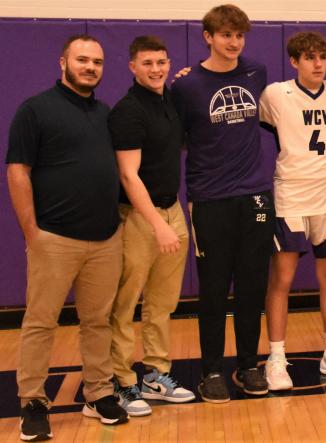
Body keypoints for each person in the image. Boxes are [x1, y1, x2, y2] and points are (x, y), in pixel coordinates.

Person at [7, 34, 128, 440]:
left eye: (96, 62)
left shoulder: (104, 112)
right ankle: (33, 402)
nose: (90, 67)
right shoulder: (35, 110)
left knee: (97, 322)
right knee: (41, 322)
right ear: (63, 63)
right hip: (54, 239)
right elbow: (18, 171)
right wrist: (32, 232)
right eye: (82, 60)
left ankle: (97, 393)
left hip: (106, 239)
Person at [170, 4, 275, 402]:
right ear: (208, 37)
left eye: (239, 35)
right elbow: (178, 138)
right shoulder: (186, 86)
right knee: (213, 291)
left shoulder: (256, 72)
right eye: (226, 35)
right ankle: (211, 370)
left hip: (256, 196)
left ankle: (248, 365)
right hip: (210, 199)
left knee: (252, 288)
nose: (234, 42)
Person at [260, 31, 326, 390]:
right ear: (294, 62)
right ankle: (276, 358)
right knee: (283, 279)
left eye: (322, 56)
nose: (317, 63)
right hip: (291, 195)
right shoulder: (276, 94)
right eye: (309, 57)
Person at [108, 35, 196, 417]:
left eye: (161, 62)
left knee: (162, 303)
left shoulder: (170, 101)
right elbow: (129, 175)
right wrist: (156, 224)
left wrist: (189, 78)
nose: (156, 69)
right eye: (147, 63)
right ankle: (122, 382)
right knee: (125, 304)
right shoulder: (127, 112)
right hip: (139, 218)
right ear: (132, 67)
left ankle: (156, 374)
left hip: (172, 209)